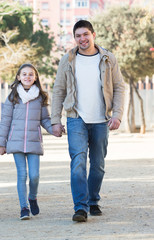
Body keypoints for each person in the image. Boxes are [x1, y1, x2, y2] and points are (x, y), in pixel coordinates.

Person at [51, 20, 125, 222]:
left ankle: (93, 200)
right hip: (76, 118)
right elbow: (58, 90)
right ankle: (80, 207)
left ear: (93, 34)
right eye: (78, 36)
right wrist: (55, 120)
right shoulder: (68, 60)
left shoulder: (108, 58)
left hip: (102, 120)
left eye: (85, 34)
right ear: (74, 38)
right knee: (78, 163)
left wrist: (117, 114)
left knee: (98, 165)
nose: (82, 39)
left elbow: (119, 87)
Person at [0, 63, 60, 220]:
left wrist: (54, 130)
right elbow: (5, 120)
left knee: (35, 175)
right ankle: (24, 207)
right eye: (24, 74)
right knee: (22, 174)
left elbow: (44, 119)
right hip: (15, 141)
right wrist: (1, 142)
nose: (27, 77)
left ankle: (33, 197)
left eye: (31, 74)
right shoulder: (12, 97)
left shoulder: (40, 97)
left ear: (35, 77)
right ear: (18, 77)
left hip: (33, 141)